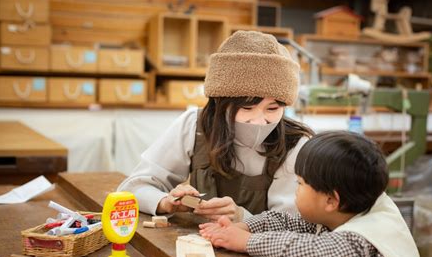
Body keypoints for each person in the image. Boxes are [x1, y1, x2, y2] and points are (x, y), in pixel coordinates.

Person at [200, 131, 432, 257]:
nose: (296, 189)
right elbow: (290, 222)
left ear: (331, 200)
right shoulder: (350, 208)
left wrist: (247, 241)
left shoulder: (359, 244)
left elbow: (308, 250)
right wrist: (248, 226)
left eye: (300, 183)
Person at [118, 30, 313, 221]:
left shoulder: (296, 145)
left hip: (257, 251)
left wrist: (242, 218)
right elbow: (133, 188)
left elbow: (292, 225)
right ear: (220, 103)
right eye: (246, 107)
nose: (259, 121)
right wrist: (166, 201)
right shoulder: (194, 125)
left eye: (272, 109)